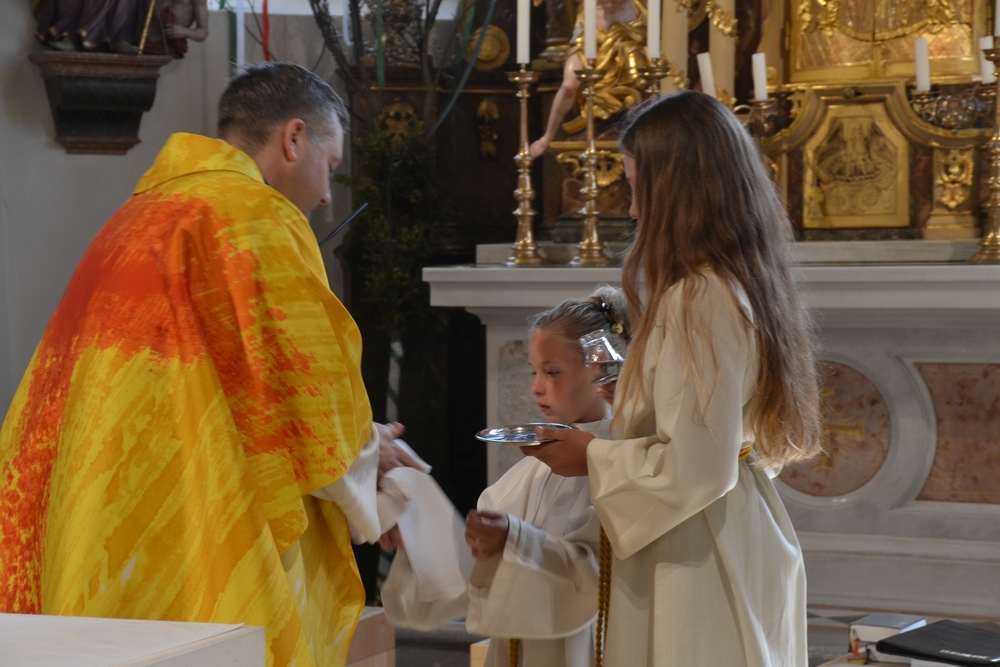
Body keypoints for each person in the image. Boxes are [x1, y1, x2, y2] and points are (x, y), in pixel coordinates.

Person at [0, 62, 419, 667]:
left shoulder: (137, 214)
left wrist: (362, 445)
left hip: (97, 507)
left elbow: (229, 382)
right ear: (294, 137)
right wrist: (369, 453)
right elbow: (304, 389)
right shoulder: (258, 216)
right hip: (198, 511)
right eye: (329, 165)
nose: (328, 194)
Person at [529, 90, 823, 666]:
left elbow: (699, 467)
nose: (634, 209)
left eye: (639, 189)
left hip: (699, 556)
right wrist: (638, 393)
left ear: (680, 193)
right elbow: (713, 426)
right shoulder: (731, 281)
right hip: (725, 530)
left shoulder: (699, 297)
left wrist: (591, 455)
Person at [381, 286, 631, 667]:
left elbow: (601, 575)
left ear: (600, 369)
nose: (536, 386)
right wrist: (419, 532)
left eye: (552, 372)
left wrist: (513, 540)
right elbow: (473, 569)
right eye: (534, 371)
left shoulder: (620, 461)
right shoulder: (532, 469)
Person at [528, 0, 648, 159]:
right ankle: (547, 137)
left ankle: (641, 128)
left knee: (638, 77)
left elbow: (644, 20)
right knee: (569, 84)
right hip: (588, 42)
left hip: (624, 42)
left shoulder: (634, 7)